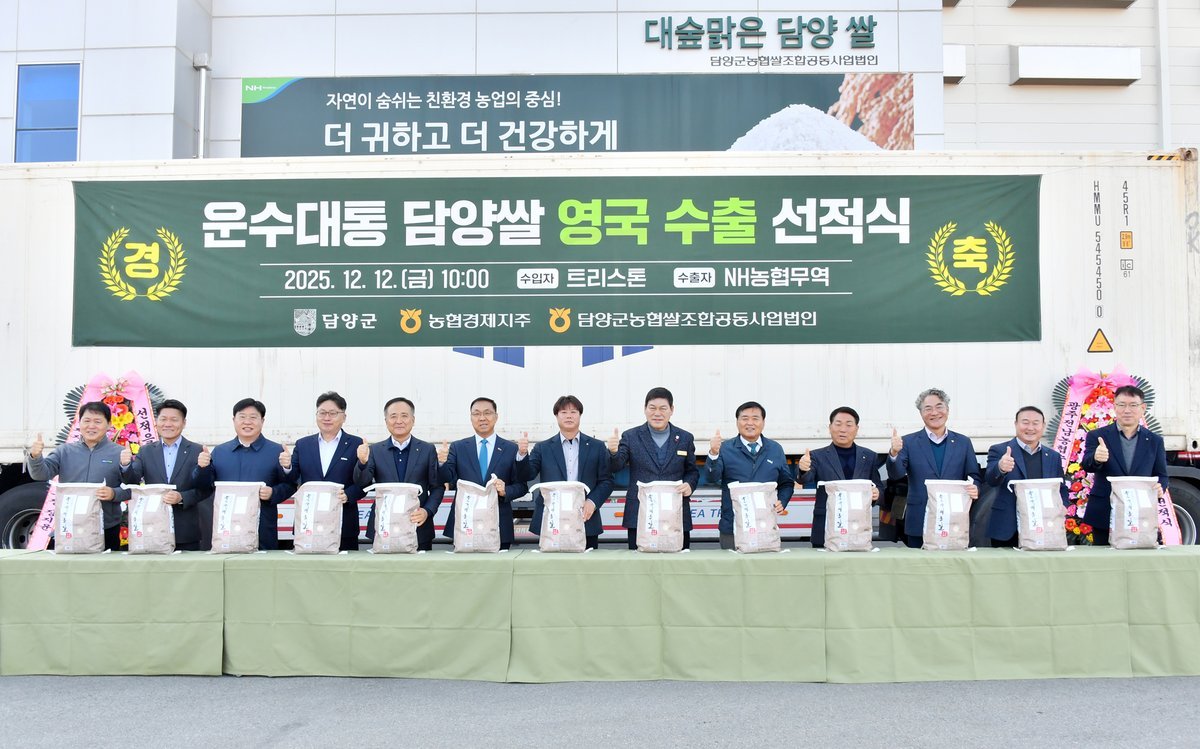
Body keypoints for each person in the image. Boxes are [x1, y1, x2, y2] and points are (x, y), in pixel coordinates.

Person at [194, 398, 296, 551]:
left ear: (262, 421)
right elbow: (204, 486)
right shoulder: (220, 451)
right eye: (242, 417)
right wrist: (202, 467)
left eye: (253, 417)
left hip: (262, 527)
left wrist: (273, 492)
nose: (247, 422)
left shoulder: (276, 451)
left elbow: (291, 484)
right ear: (234, 420)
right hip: (226, 528)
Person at [26, 401, 131, 551]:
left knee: (105, 566)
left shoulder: (119, 452)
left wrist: (114, 493)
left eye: (97, 421)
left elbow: (131, 488)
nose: (91, 426)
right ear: (79, 423)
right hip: (69, 525)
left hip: (105, 527)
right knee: (68, 566)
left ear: (109, 424)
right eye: (86, 421)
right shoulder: (64, 451)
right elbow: (41, 474)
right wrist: (35, 457)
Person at [606, 386, 699, 550]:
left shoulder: (685, 438)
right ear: (645, 409)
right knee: (639, 563)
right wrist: (613, 452)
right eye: (652, 408)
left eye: (663, 408)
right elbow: (616, 466)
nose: (657, 413)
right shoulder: (631, 436)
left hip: (675, 513)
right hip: (641, 513)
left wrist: (689, 484)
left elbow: (692, 471)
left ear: (672, 410)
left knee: (679, 562)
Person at [516, 395, 614, 549]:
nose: (569, 416)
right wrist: (522, 455)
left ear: (580, 415)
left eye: (573, 412)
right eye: (563, 412)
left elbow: (606, 481)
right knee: (552, 563)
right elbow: (527, 475)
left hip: (585, 517)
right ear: (556, 416)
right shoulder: (543, 448)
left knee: (588, 563)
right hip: (551, 519)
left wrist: (592, 501)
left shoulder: (597, 447)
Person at [886, 388, 981, 548]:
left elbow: (973, 475)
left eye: (939, 407)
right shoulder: (908, 442)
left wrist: (975, 487)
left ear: (947, 410)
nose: (934, 412)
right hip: (919, 519)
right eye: (928, 408)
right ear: (921, 413)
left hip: (954, 520)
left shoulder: (963, 442)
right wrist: (894, 453)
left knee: (953, 562)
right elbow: (896, 475)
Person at [1080, 385, 1168, 546]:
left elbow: (1161, 474)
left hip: (1140, 513)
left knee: (1137, 558)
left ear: (1143, 408)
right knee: (1103, 558)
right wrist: (1097, 458)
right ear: (1114, 407)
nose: (1127, 410)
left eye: (1133, 405)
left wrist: (1160, 487)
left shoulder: (1154, 441)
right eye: (1122, 405)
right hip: (1105, 512)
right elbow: (1087, 465)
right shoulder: (1097, 436)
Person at [353, 397, 444, 551]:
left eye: (404, 416)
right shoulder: (375, 450)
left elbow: (437, 487)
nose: (399, 421)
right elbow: (362, 483)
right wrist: (362, 462)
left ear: (413, 420)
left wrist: (427, 511)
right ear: (386, 421)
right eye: (393, 416)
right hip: (383, 527)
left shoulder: (427, 450)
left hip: (418, 527)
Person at [118, 399, 208, 551]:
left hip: (185, 530)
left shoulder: (197, 450)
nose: (168, 424)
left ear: (184, 423)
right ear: (156, 422)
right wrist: (126, 465)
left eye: (174, 420)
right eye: (163, 419)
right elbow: (132, 481)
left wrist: (182, 497)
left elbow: (206, 489)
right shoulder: (146, 451)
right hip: (152, 528)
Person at [437, 397, 526, 551]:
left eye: (487, 413)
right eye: (477, 414)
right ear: (471, 418)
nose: (482, 418)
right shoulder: (458, 447)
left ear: (496, 417)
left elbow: (522, 486)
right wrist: (441, 463)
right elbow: (446, 478)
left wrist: (505, 491)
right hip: (464, 524)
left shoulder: (511, 449)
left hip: (499, 526)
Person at [704, 401, 795, 551]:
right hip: (732, 527)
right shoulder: (725, 448)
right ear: (737, 422)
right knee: (731, 565)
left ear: (763, 422)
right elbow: (711, 478)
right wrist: (713, 453)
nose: (750, 423)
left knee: (766, 565)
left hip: (765, 525)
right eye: (745, 418)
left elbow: (786, 483)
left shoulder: (775, 449)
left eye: (755, 418)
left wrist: (782, 501)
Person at [284, 391, 361, 551]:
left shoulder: (356, 444)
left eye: (332, 413)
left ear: (344, 417)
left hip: (343, 522)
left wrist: (349, 494)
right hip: (308, 523)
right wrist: (287, 466)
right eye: (322, 413)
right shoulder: (303, 444)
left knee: (346, 566)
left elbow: (364, 481)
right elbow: (293, 478)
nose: (327, 418)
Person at [982, 406, 1069, 547]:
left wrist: (1063, 506)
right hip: (1007, 527)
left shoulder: (1053, 456)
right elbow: (990, 480)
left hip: (1044, 526)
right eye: (1025, 422)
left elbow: (1061, 487)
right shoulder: (999, 450)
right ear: (1016, 424)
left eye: (1035, 423)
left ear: (1043, 426)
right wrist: (1001, 468)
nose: (1030, 428)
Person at [800, 406, 883, 548]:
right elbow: (805, 479)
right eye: (838, 424)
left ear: (856, 429)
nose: (843, 429)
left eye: (849, 425)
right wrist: (803, 469)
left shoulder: (869, 456)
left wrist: (877, 493)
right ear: (830, 427)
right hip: (826, 527)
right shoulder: (817, 456)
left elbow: (878, 486)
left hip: (858, 528)